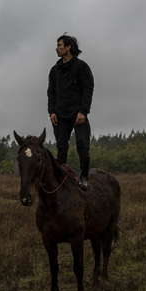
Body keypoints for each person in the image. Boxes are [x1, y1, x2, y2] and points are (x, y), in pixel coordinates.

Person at [47, 33, 94, 190]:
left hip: (78, 114)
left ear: (69, 47)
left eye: (60, 45)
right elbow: (51, 92)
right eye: (57, 45)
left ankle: (84, 177)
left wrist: (83, 111)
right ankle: (61, 180)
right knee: (61, 147)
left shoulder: (81, 67)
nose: (57, 48)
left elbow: (88, 88)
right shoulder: (54, 70)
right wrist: (51, 111)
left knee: (82, 144)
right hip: (60, 114)